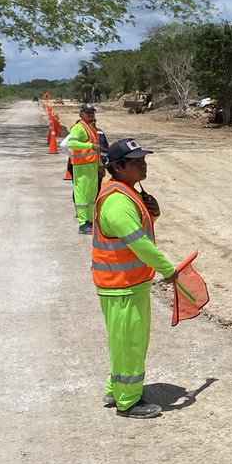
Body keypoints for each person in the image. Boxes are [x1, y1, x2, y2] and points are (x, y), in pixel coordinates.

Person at [93, 138, 177, 419]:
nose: (143, 165)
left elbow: (141, 226)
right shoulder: (117, 202)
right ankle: (128, 402)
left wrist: (155, 211)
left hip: (129, 283)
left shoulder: (127, 191)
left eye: (144, 159)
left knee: (125, 341)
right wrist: (168, 269)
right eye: (136, 161)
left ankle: (114, 388)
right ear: (118, 167)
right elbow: (139, 243)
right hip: (122, 286)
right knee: (130, 343)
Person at [64, 104, 104, 233]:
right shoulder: (78, 127)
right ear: (81, 114)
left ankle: (90, 220)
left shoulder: (91, 128)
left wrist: (100, 166)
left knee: (92, 195)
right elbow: (71, 143)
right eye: (88, 112)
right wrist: (90, 145)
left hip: (92, 165)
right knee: (82, 194)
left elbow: (96, 151)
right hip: (81, 166)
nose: (91, 114)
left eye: (92, 112)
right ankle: (83, 223)